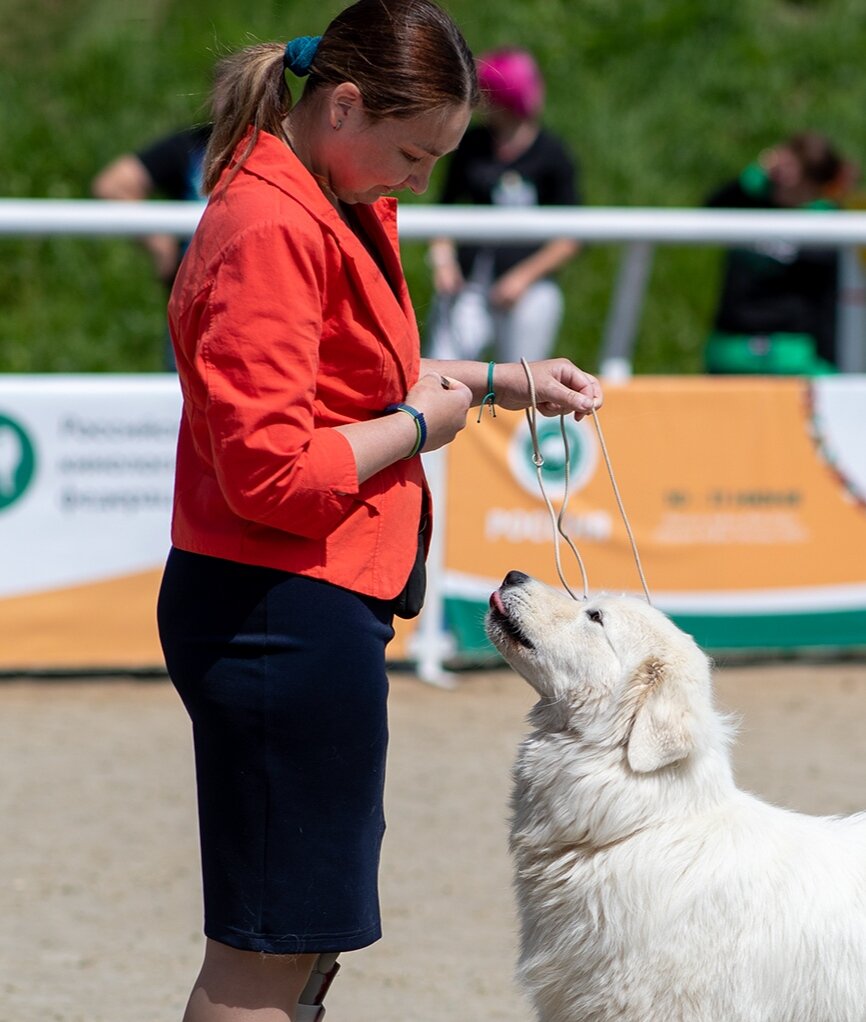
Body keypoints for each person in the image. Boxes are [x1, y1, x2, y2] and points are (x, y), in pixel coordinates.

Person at [155, 2, 602, 1020]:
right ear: (343, 105)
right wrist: (415, 424)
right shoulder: (268, 221)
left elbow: (362, 381)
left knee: (301, 943)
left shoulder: (325, 193)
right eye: (412, 150)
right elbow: (270, 469)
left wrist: (500, 379)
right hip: (273, 606)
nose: (421, 177)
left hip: (307, 601)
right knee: (263, 953)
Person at [425, 47, 581, 363]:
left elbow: (570, 238)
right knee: (444, 362)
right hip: (469, 282)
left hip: (528, 287)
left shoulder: (553, 154)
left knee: (523, 371)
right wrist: (443, 261)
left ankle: (524, 415)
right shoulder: (470, 145)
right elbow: (445, 210)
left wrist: (522, 278)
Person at [705, 132, 856, 375]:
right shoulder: (748, 202)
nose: (779, 168)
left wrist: (829, 362)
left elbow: (831, 300)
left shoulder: (827, 224)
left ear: (809, 179)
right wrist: (749, 180)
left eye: (791, 164)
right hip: (731, 345)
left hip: (794, 354)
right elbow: (708, 213)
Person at [92, 123, 212, 368]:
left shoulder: (283, 146)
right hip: (195, 306)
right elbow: (112, 184)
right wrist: (159, 241)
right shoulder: (191, 147)